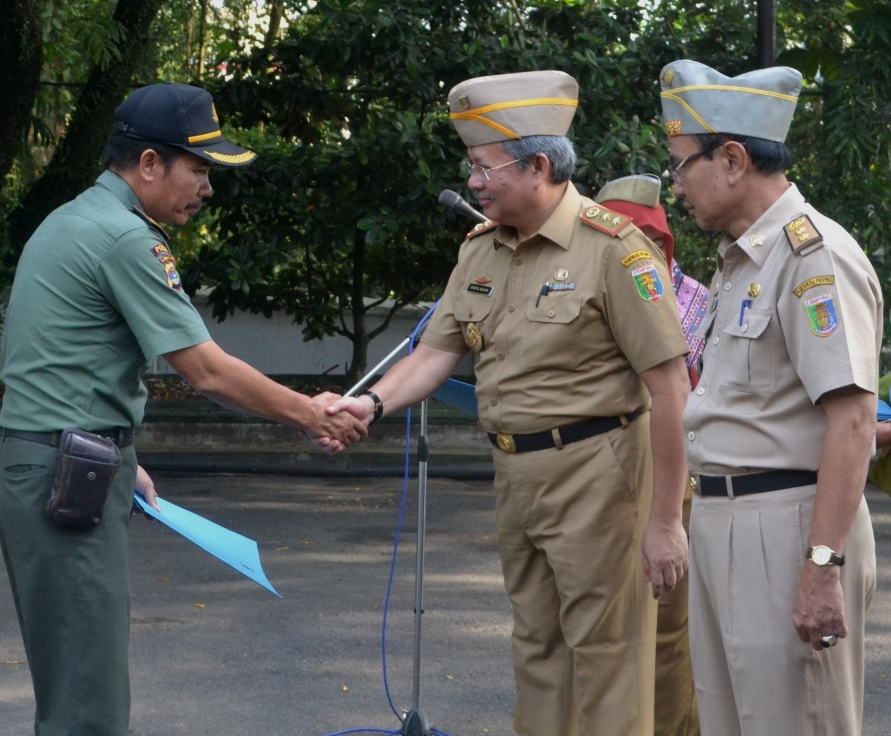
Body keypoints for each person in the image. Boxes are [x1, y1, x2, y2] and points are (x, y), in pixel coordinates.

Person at [0, 82, 366, 736]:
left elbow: (59, 360)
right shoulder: (124, 238)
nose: (207, 187)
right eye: (199, 169)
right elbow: (207, 370)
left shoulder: (73, 217)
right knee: (89, 708)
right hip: (63, 475)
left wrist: (119, 455)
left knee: (73, 686)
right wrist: (312, 413)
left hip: (57, 460)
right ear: (148, 164)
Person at [329, 70, 692, 736]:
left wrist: (666, 521)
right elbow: (435, 354)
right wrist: (371, 405)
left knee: (610, 656)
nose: (473, 183)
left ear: (539, 166)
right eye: (471, 168)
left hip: (599, 472)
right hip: (515, 475)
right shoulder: (479, 249)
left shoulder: (614, 250)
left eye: (483, 168)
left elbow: (670, 388)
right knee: (537, 650)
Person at [658, 60, 881, 736]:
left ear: (730, 160)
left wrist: (822, 566)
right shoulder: (740, 262)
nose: (674, 187)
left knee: (795, 723)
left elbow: (852, 420)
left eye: (679, 166)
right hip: (723, 519)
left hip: (786, 527)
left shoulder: (813, 257)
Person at [595, 174, 705, 736]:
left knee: (667, 634)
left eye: (647, 240)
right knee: (605, 632)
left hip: (675, 480)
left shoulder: (698, 302)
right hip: (606, 481)